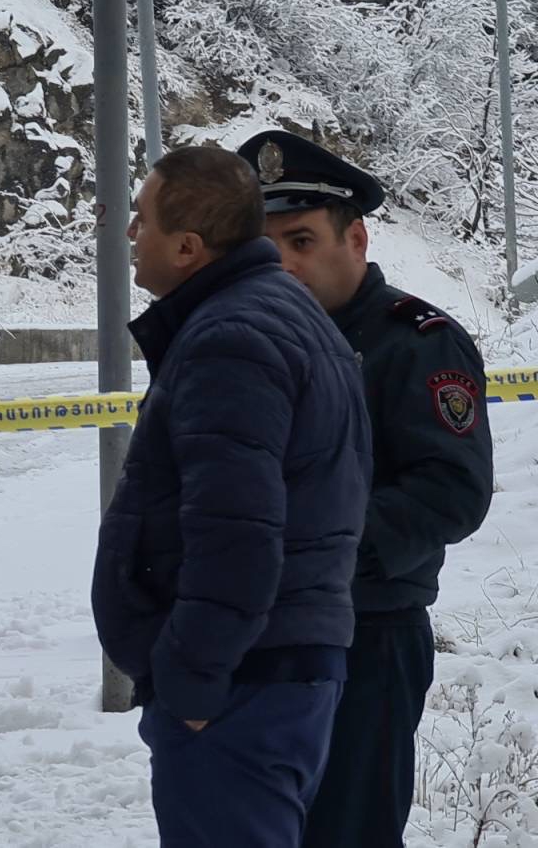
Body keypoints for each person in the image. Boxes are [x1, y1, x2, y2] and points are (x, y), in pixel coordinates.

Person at [90, 145, 374, 847]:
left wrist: (192, 681)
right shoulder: (281, 315)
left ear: (187, 247)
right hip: (275, 672)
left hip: (243, 687)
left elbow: (237, 535)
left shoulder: (231, 338)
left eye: (142, 220)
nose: (131, 234)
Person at [237, 129, 496, 847]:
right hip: (250, 635)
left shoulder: (415, 341)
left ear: (356, 239)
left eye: (301, 240)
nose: (283, 264)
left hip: (364, 637)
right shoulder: (244, 340)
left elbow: (451, 490)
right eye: (264, 246)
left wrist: (318, 551)